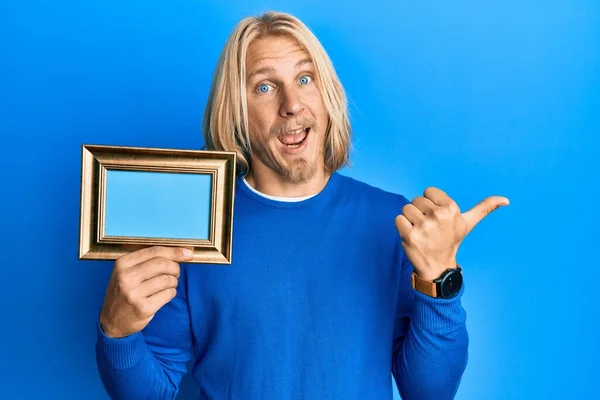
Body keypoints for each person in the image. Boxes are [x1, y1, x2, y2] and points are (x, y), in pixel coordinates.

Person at [95, 11, 508, 400]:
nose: (291, 104)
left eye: (305, 78)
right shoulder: (197, 228)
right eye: (264, 86)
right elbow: (151, 391)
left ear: (327, 97)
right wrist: (116, 331)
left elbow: (429, 392)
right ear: (236, 113)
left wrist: (441, 282)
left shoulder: (391, 221)